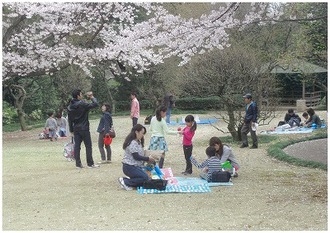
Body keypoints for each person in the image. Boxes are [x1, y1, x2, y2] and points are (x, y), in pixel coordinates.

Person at [67, 89, 99, 169]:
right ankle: (90, 163)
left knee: (77, 146)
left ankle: (78, 164)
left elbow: (70, 119)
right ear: (78, 96)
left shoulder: (70, 106)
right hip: (84, 127)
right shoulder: (82, 104)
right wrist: (91, 97)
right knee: (88, 146)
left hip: (76, 128)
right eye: (81, 94)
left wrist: (71, 130)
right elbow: (95, 104)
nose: (82, 95)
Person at [118, 124, 155, 191]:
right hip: (129, 166)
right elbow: (136, 157)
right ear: (136, 132)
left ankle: (132, 180)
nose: (142, 135)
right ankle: (126, 181)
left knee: (148, 179)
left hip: (136, 166)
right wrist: (148, 159)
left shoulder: (138, 142)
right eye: (142, 133)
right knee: (145, 178)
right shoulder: (132, 143)